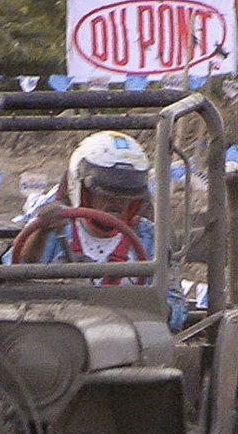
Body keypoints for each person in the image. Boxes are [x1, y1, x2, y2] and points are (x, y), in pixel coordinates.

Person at [12, 130, 187, 329]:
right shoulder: (56, 226)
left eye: (126, 195)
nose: (118, 202)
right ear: (83, 190)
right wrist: (41, 232)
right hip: (54, 334)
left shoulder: (150, 239)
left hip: (124, 339)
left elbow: (175, 306)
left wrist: (150, 310)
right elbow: (13, 275)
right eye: (107, 193)